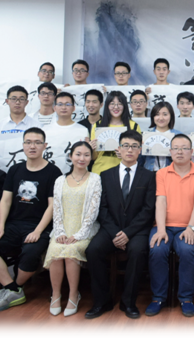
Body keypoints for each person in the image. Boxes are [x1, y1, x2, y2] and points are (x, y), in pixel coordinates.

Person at [0, 128, 63, 311]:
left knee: (31, 253)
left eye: (37, 142)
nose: (32, 146)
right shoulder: (15, 169)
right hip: (13, 224)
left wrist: (38, 231)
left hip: (40, 226)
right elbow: (6, 200)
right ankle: (13, 289)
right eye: (28, 142)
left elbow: (52, 206)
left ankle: (14, 288)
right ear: (23, 145)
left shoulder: (53, 172)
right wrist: (0, 226)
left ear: (45, 146)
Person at [84, 131, 156, 320]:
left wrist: (128, 233)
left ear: (140, 150)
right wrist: (116, 233)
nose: (129, 150)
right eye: (126, 146)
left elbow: (148, 209)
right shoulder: (105, 175)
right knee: (93, 250)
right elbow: (102, 208)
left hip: (137, 230)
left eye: (134, 146)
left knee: (137, 251)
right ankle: (102, 301)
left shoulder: (149, 176)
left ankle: (128, 302)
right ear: (119, 149)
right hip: (111, 228)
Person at [146, 134, 194, 318]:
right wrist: (161, 229)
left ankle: (186, 298)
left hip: (189, 227)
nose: (180, 152)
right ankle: (158, 297)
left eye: (184, 148)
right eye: (176, 148)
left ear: (192, 152)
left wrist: (191, 228)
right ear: (170, 152)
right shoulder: (161, 174)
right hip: (163, 226)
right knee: (157, 249)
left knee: (187, 251)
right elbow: (160, 202)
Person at [44, 142, 102, 317]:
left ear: (91, 158)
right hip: (62, 228)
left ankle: (73, 295)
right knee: (56, 250)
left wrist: (80, 234)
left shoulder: (95, 179)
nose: (82, 158)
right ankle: (55, 295)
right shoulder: (60, 180)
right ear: (70, 157)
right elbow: (56, 209)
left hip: (85, 229)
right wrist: (60, 232)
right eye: (78, 154)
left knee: (70, 252)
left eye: (86, 155)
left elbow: (93, 211)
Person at [89, 91, 141, 175]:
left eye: (120, 104)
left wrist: (125, 155)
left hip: (125, 173)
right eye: (112, 104)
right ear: (107, 106)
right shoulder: (98, 125)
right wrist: (91, 149)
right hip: (100, 171)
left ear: (125, 106)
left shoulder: (133, 126)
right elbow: (94, 157)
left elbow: (138, 153)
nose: (116, 107)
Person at [45, 93, 91, 171]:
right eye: (60, 104)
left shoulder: (83, 130)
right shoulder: (45, 130)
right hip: (50, 174)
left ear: (73, 108)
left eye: (67, 104)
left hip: (76, 175)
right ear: (55, 108)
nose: (63, 107)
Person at [142, 102, 182, 172]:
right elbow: (140, 160)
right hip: (149, 173)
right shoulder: (146, 135)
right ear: (153, 117)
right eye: (157, 114)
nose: (161, 118)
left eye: (165, 114)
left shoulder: (178, 136)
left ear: (171, 116)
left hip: (171, 173)